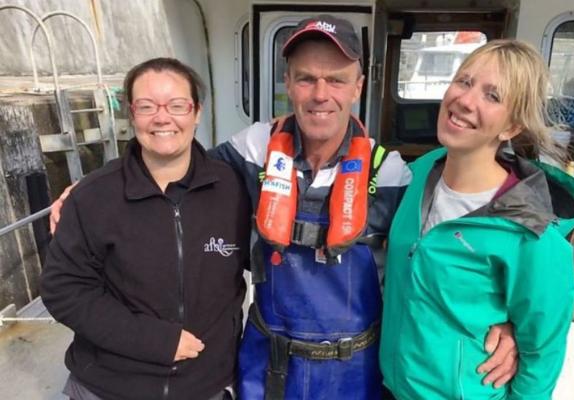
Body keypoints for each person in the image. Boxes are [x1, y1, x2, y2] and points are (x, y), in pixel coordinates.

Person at [49, 16, 518, 400]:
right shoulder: (249, 152)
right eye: (306, 78)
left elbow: (451, 255)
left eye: (336, 80)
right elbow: (174, 169)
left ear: (357, 87)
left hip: (353, 372)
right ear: (288, 84)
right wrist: (88, 191)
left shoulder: (392, 173)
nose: (320, 94)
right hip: (266, 365)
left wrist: (500, 320)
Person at [380, 39, 574, 399]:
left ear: (511, 127)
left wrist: (517, 334)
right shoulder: (415, 176)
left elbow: (542, 357)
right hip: (390, 388)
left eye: (492, 96)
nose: (465, 100)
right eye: (464, 81)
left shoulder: (529, 233)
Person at [41, 58, 251, 400]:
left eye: (177, 105)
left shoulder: (234, 189)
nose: (162, 118)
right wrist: (157, 341)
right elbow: (63, 290)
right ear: (131, 113)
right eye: (147, 106)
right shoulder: (93, 196)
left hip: (207, 386)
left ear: (197, 112)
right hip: (108, 387)